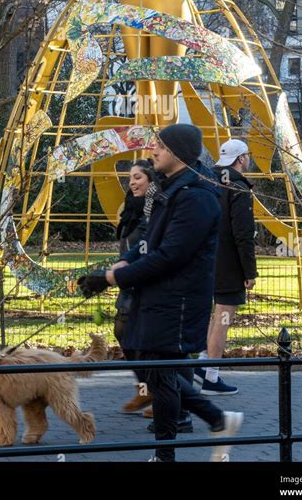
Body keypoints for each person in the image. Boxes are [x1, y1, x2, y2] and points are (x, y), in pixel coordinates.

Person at [79, 124, 243, 462]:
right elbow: (147, 241)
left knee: (162, 374)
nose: (153, 151)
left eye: (160, 147)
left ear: (178, 153)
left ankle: (165, 454)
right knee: (152, 366)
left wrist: (111, 279)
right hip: (157, 295)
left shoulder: (196, 196)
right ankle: (218, 419)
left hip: (178, 300)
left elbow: (171, 256)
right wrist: (124, 263)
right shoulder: (169, 189)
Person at [194, 139, 257, 395]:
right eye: (248, 156)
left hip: (207, 257)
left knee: (216, 314)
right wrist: (249, 271)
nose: (249, 160)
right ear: (240, 159)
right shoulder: (239, 187)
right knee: (223, 316)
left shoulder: (208, 180)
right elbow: (243, 233)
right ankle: (211, 375)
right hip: (229, 262)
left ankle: (203, 363)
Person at [115, 160, 157, 414]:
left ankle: (159, 391)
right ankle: (146, 388)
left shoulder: (153, 209)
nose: (132, 182)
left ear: (151, 181)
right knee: (123, 331)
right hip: (128, 279)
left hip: (145, 280)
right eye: (130, 177)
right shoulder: (131, 208)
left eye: (138, 177)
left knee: (144, 339)